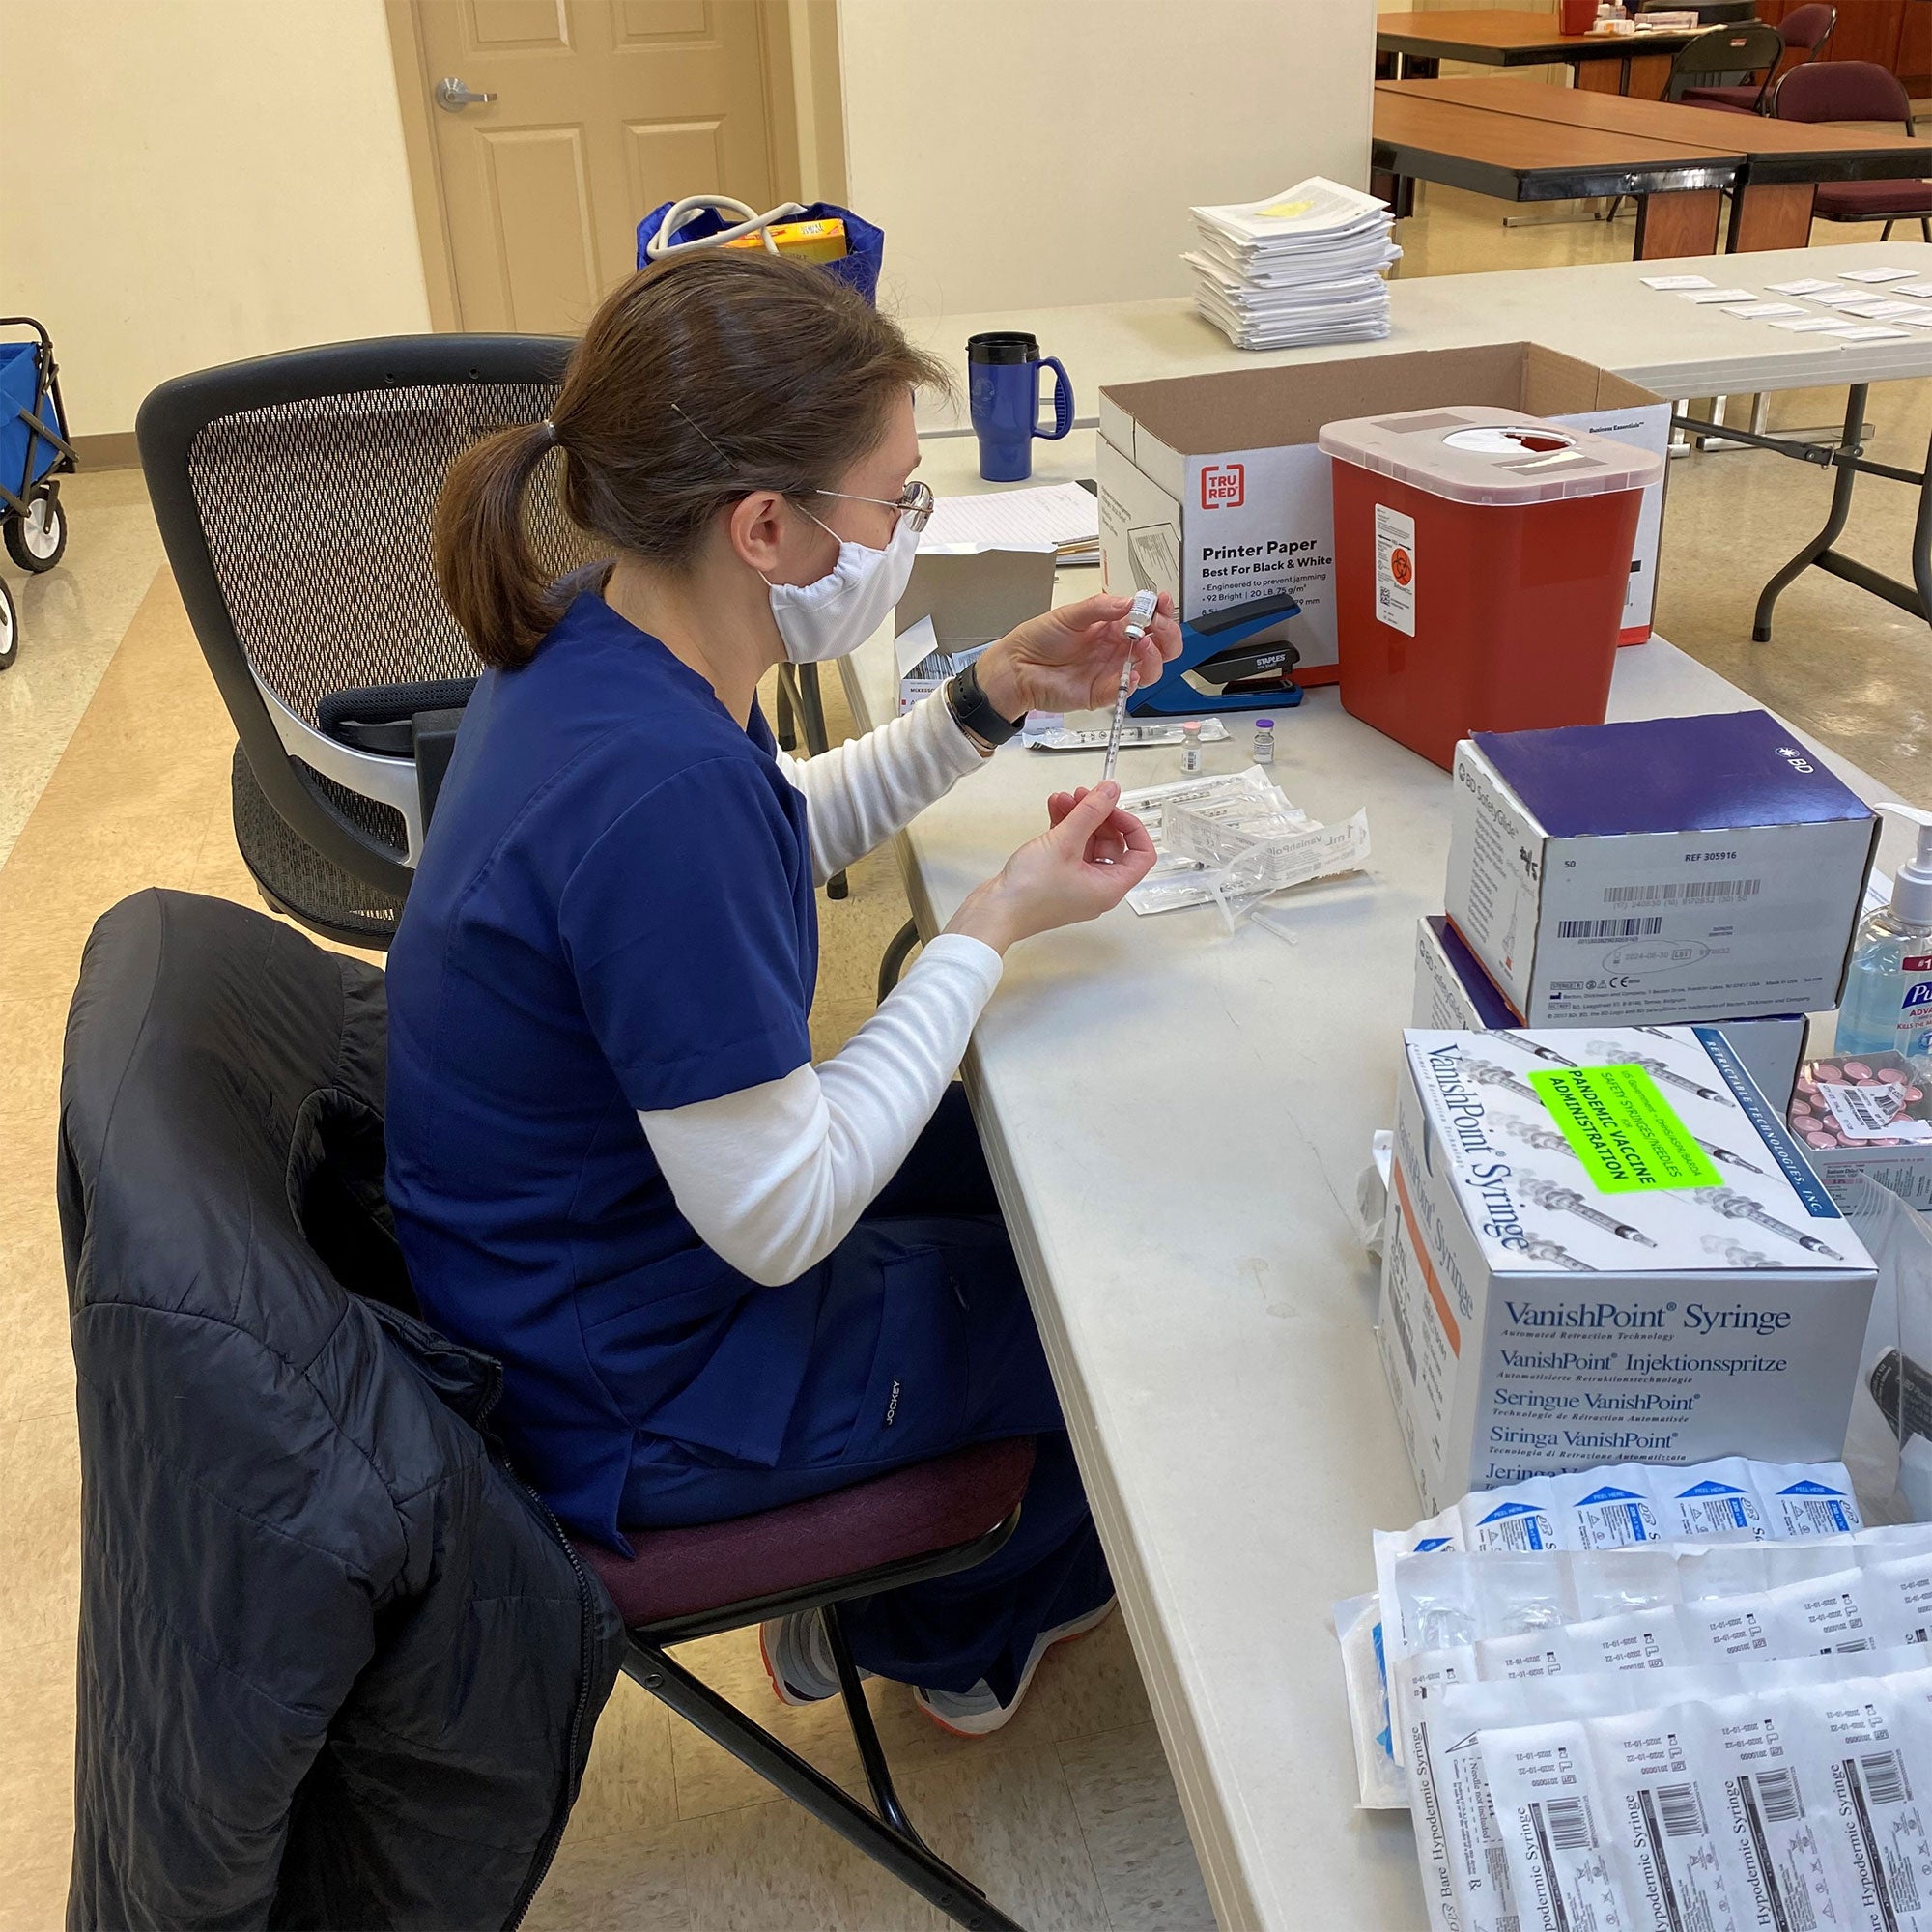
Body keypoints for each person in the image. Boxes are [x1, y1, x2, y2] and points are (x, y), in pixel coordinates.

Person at [384, 249, 1179, 1736]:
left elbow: (771, 824)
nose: (904, 533)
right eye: (894, 502)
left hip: (579, 1258)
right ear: (765, 527)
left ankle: (896, 1571)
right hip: (639, 1383)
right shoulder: (654, 789)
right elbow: (777, 1216)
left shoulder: (600, 634)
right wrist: (990, 926)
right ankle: (944, 1640)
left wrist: (987, 697)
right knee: (1112, 1314)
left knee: (1053, 1171)